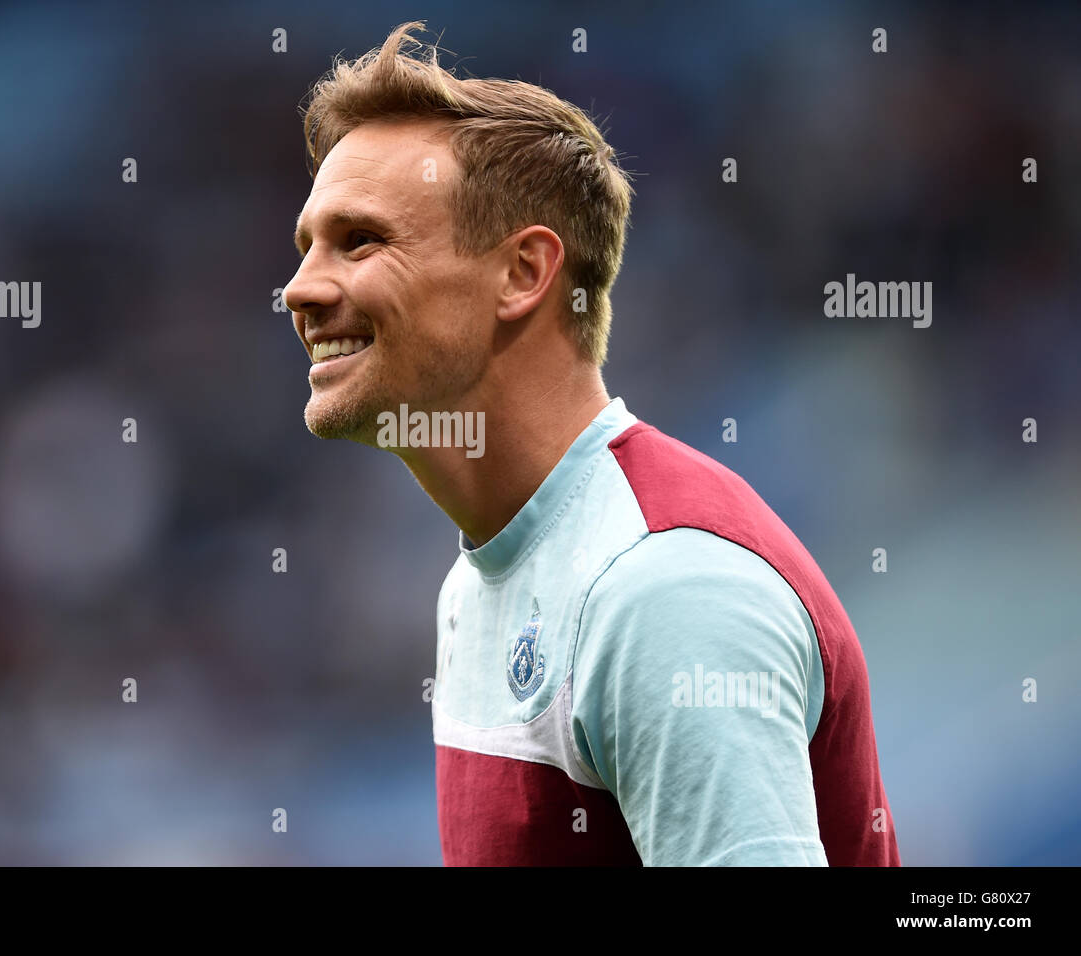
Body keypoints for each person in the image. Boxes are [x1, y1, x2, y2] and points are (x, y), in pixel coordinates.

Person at [283, 21, 900, 866]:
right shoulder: (480, 577)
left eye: (361, 241)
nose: (300, 288)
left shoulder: (664, 589)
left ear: (523, 274)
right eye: (307, 246)